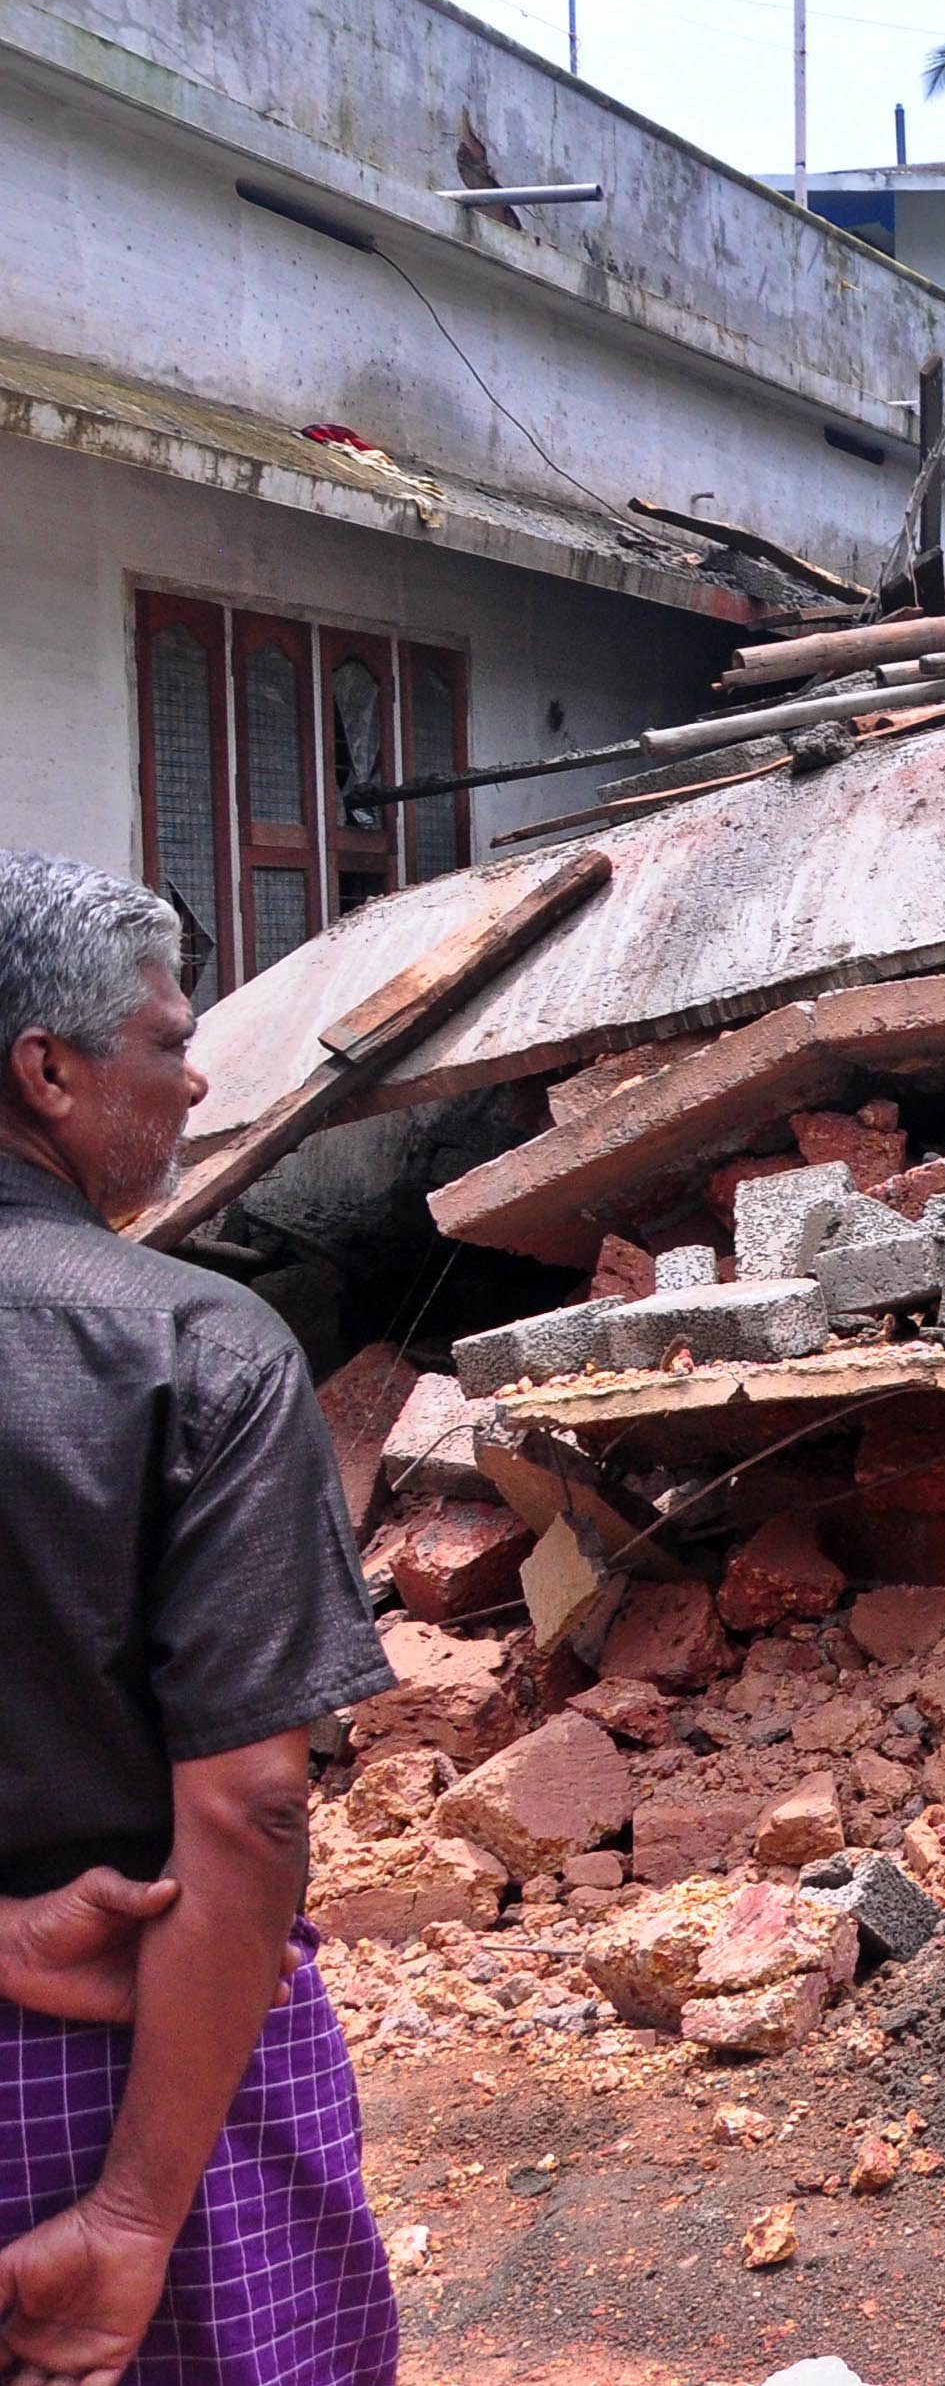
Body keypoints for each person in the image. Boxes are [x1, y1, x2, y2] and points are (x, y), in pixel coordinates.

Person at [0, 853, 399, 2386]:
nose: (197, 1073)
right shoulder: (193, 1350)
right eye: (167, 1039)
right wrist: (125, 2215)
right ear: (46, 1071)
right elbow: (248, 1803)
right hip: (135, 2068)